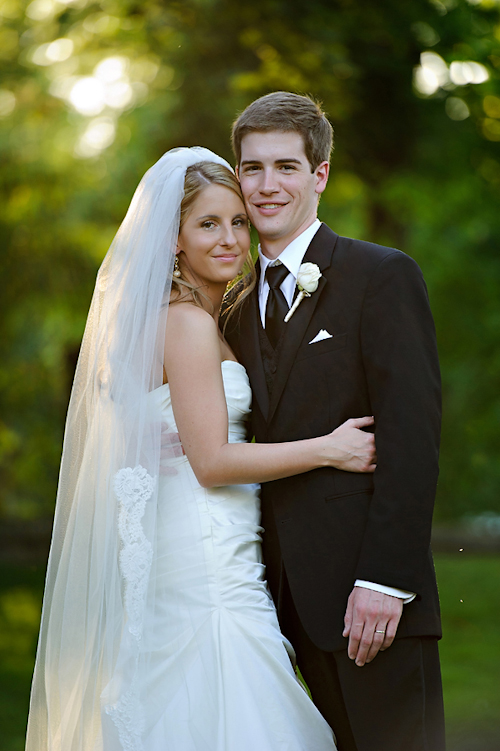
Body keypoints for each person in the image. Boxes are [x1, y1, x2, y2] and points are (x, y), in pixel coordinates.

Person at [25, 147, 378, 751]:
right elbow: (212, 462)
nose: (230, 238)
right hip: (207, 556)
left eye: (238, 222)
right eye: (207, 224)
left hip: (203, 540)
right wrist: (329, 448)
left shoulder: (202, 319)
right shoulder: (186, 324)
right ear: (174, 240)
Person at [222, 92, 445, 751]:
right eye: (252, 168)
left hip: (371, 603)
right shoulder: (231, 311)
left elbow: (413, 436)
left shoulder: (381, 275)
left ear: (319, 174)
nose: (266, 186)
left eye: (286, 166)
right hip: (278, 611)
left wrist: (385, 579)